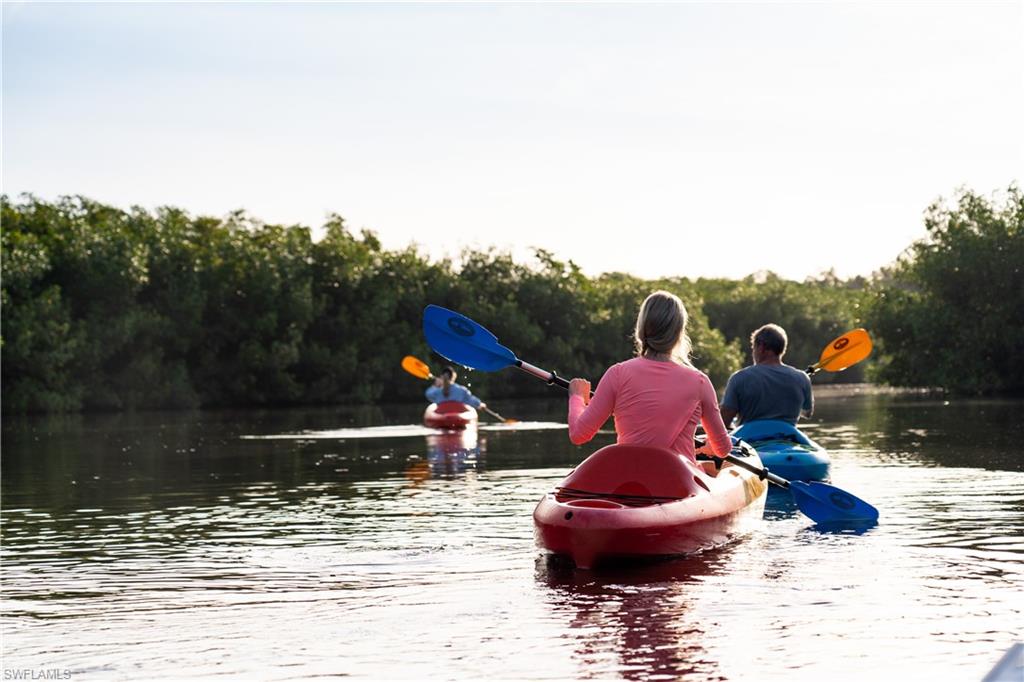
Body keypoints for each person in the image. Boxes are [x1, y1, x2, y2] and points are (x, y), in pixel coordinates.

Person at [566, 290, 733, 463]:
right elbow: (723, 449)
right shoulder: (699, 381)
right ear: (679, 332)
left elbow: (578, 435)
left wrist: (577, 397)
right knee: (710, 469)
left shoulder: (617, 374)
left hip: (629, 479)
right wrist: (710, 446)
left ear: (642, 328)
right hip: (678, 483)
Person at [719, 323, 813, 427]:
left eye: (753, 347)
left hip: (750, 439)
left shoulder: (739, 378)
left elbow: (723, 421)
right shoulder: (802, 378)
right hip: (787, 436)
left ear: (761, 347)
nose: (753, 352)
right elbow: (807, 413)